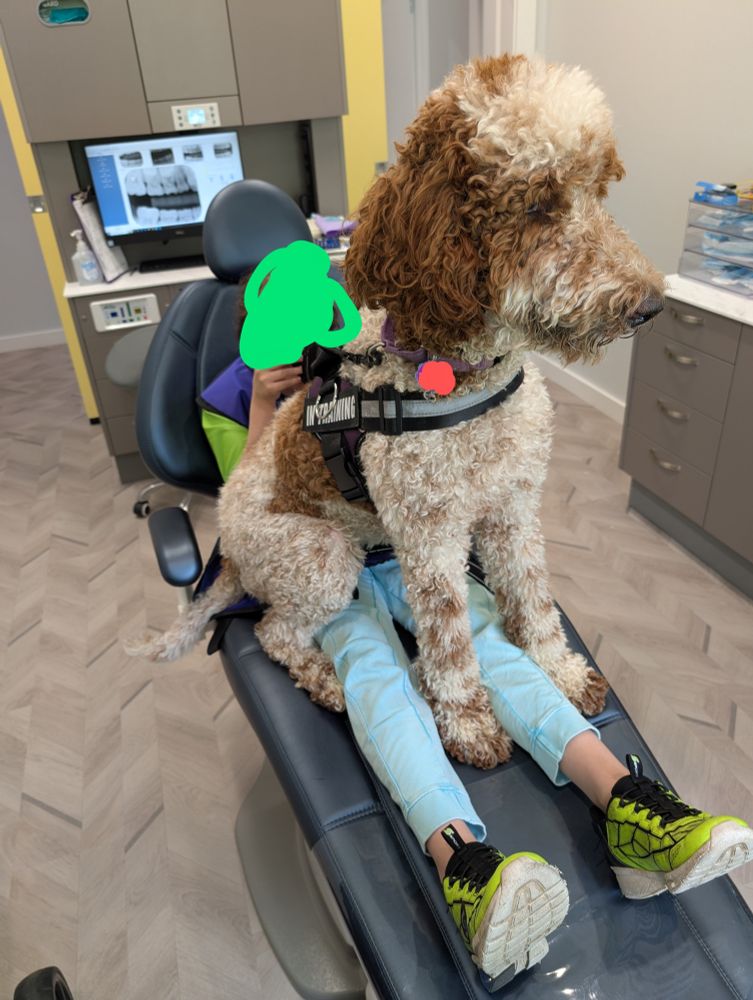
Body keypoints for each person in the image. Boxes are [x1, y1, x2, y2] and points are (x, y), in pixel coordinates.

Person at [197, 284, 753, 982]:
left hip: (405, 542)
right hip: (307, 545)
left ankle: (628, 806)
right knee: (373, 671)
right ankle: (461, 863)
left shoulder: (363, 350)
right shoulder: (227, 394)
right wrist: (260, 403)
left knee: (484, 639)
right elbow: (241, 496)